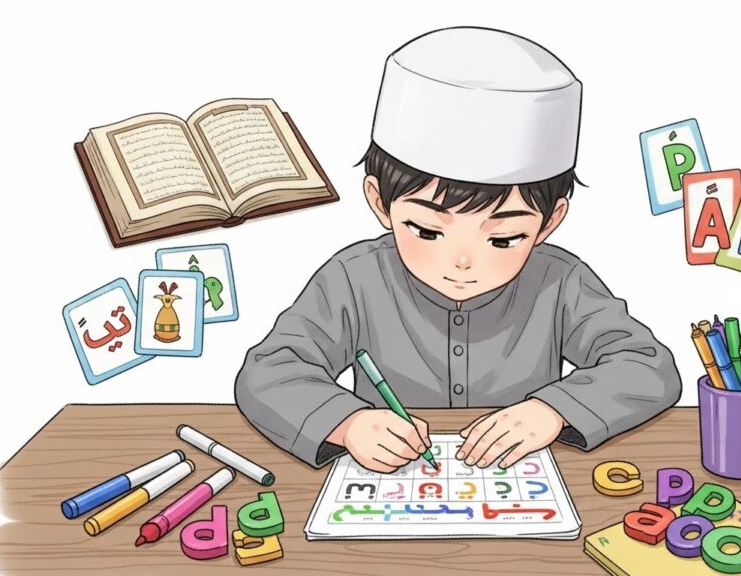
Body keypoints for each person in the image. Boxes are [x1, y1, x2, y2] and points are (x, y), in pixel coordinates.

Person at [235, 27, 682, 474]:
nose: (463, 261)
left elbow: (648, 367)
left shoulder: (561, 280)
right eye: (427, 231)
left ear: (549, 223)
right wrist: (347, 424)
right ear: (379, 202)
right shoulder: (353, 278)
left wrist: (554, 410)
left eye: (503, 239)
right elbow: (268, 373)